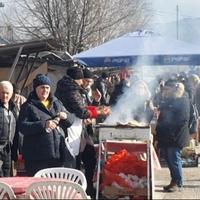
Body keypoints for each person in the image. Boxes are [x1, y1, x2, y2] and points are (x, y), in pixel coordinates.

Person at [18, 74, 74, 176]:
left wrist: (65, 116)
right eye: (42, 87)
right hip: (37, 156)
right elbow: (23, 127)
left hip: (57, 154)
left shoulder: (56, 103)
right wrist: (44, 124)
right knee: (38, 186)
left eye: (47, 87)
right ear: (35, 89)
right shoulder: (28, 106)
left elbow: (70, 121)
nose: (45, 90)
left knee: (54, 186)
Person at [156, 80, 192, 192]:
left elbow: (183, 119)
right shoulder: (169, 99)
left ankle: (178, 182)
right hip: (166, 135)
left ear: (174, 89)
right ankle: (173, 180)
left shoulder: (183, 100)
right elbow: (162, 111)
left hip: (176, 136)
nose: (165, 91)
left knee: (174, 159)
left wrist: (169, 129)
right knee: (168, 159)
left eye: (167, 89)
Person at [0, 81, 19, 177]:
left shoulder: (14, 108)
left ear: (11, 94)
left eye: (7, 93)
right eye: (2, 92)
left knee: (7, 178)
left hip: (9, 150)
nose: (4, 95)